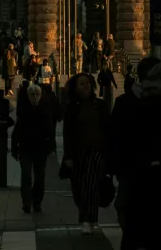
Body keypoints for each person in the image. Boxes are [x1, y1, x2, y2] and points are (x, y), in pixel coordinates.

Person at [107, 56, 161, 250]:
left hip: (135, 179)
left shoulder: (128, 105)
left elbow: (114, 138)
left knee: (134, 225)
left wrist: (114, 168)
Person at [61, 72, 110, 234]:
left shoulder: (100, 105)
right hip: (78, 151)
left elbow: (107, 129)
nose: (86, 86)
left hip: (96, 150)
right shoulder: (72, 108)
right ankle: (87, 217)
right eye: (81, 84)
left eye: (87, 83)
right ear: (75, 87)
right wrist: (68, 156)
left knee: (92, 185)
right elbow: (67, 133)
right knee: (79, 187)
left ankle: (89, 219)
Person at [11, 81, 55, 214]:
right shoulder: (24, 111)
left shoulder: (45, 110)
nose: (35, 97)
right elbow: (17, 130)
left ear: (41, 96)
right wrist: (14, 147)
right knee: (26, 175)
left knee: (39, 177)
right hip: (26, 147)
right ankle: (26, 201)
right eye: (32, 94)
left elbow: (50, 130)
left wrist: (50, 146)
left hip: (40, 148)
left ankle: (37, 201)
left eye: (37, 94)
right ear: (28, 96)